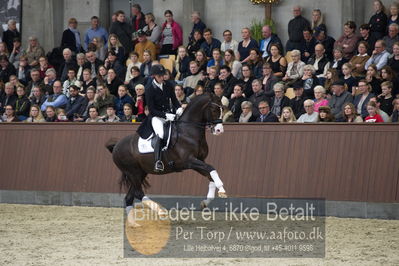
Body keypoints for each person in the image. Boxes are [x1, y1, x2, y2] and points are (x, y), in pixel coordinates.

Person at [137, 64, 182, 172]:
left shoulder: (168, 85)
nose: (163, 77)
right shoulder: (149, 89)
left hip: (170, 114)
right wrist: (165, 115)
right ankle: (158, 161)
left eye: (163, 75)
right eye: (160, 76)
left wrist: (179, 108)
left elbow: (174, 99)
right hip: (156, 117)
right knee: (161, 134)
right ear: (155, 76)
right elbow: (152, 110)